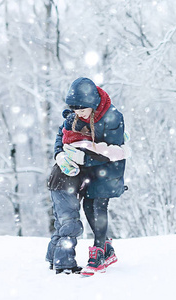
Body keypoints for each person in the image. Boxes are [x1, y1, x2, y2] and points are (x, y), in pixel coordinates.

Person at [45, 77, 130, 275]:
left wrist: (85, 159)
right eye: (76, 109)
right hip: (88, 170)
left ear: (93, 103)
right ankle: (105, 248)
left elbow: (114, 152)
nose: (79, 113)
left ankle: (99, 250)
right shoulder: (74, 118)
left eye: (83, 109)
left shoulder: (113, 116)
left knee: (97, 205)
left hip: (108, 169)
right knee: (86, 206)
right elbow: (61, 134)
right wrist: (59, 153)